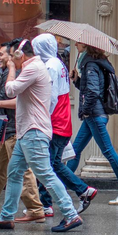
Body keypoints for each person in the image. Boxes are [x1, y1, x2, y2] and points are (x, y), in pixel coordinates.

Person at [0, 39, 83, 232]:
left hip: (34, 131)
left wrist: (11, 68)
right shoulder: (33, 68)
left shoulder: (33, 68)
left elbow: (10, 90)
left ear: (20, 55)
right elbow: (19, 97)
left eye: (12, 56)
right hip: (27, 132)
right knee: (14, 173)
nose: (10, 60)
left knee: (45, 174)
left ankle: (71, 214)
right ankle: (6, 217)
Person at [0, 40, 45, 221]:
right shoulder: (8, 73)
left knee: (22, 171)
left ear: (12, 57)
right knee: (1, 169)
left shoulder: (16, 73)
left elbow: (11, 96)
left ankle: (36, 209)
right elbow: (4, 94)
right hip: (9, 128)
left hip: (14, 128)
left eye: (1, 54)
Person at [32, 34, 98, 215]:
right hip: (62, 121)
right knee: (53, 164)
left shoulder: (50, 67)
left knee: (46, 165)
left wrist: (42, 118)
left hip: (54, 123)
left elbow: (50, 97)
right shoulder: (59, 64)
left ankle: (48, 203)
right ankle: (81, 191)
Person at [66, 45, 118, 206]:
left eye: (79, 42)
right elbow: (90, 88)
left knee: (108, 152)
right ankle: (60, 188)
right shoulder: (96, 62)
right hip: (94, 115)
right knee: (75, 151)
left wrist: (85, 110)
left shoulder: (90, 64)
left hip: (94, 116)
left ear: (87, 45)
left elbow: (92, 91)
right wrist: (77, 80)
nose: (76, 44)